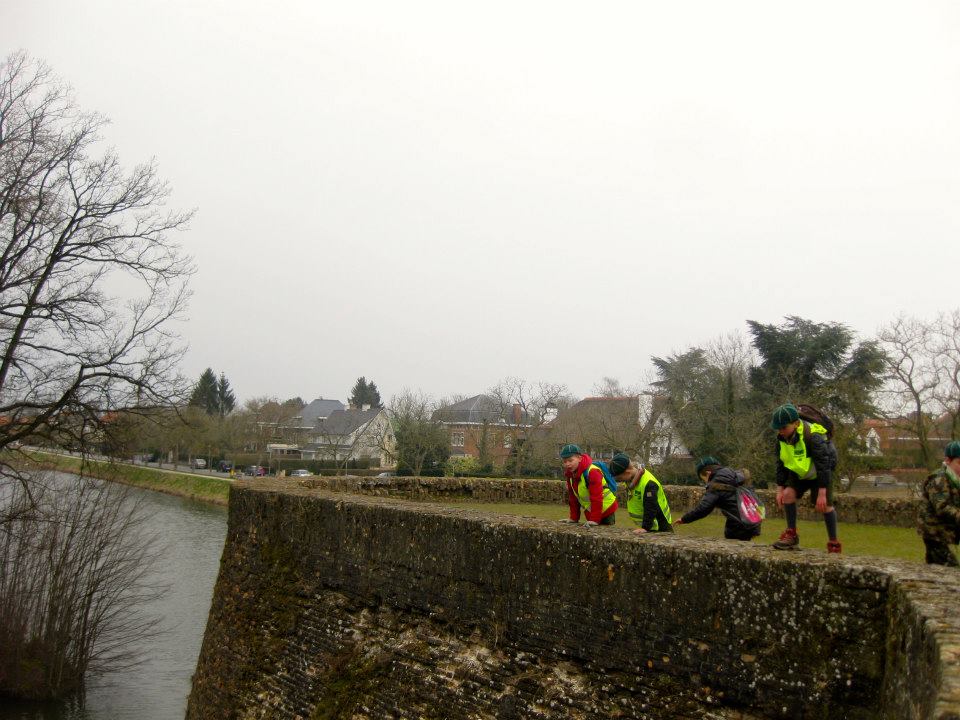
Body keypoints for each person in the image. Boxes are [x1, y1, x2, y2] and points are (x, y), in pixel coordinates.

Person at [769, 403, 841, 553]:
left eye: (784, 427)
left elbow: (823, 464)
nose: (781, 431)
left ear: (795, 424)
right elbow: (781, 463)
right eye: (778, 428)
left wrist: (822, 493)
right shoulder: (781, 439)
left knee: (824, 505)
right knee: (788, 495)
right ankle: (791, 535)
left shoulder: (813, 436)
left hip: (819, 473)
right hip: (800, 472)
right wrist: (779, 489)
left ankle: (833, 542)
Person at [673, 457, 760, 540]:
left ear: (708, 473)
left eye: (703, 479)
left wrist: (684, 519)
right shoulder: (735, 475)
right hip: (752, 522)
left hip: (737, 526)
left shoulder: (716, 483)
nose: (705, 482)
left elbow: (704, 508)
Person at [918, 440, 960, 567]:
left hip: (944, 533)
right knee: (950, 570)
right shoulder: (939, 479)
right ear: (948, 460)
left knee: (935, 569)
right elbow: (941, 507)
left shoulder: (955, 480)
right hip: (934, 532)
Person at [608, 452, 672, 535]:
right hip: (651, 527)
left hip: (660, 527)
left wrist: (645, 527)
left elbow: (651, 507)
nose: (620, 481)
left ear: (627, 472)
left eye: (620, 478)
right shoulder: (631, 480)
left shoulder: (649, 483)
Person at [559, 444, 618, 526]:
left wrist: (594, 520)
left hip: (607, 510)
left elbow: (596, 497)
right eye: (565, 462)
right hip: (592, 511)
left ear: (579, 458)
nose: (567, 464)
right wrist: (573, 518)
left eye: (570, 460)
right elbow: (573, 498)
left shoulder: (592, 471)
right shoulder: (570, 475)